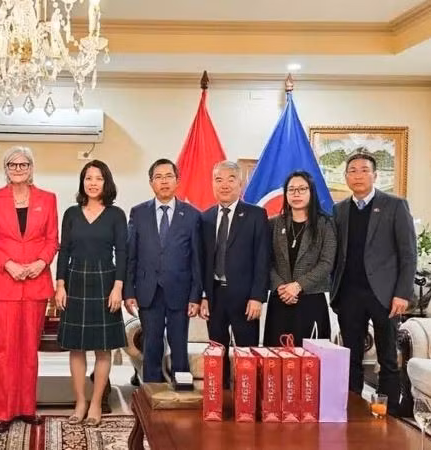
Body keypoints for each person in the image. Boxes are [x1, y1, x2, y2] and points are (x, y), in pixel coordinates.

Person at [0, 146, 58, 433]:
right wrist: (7, 264)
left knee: (28, 351)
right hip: (4, 284)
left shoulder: (47, 199)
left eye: (24, 164)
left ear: (32, 168)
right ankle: (2, 411)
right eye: (13, 164)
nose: (19, 168)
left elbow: (52, 240)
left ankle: (26, 408)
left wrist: (41, 262)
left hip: (36, 284)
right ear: (6, 168)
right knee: (3, 351)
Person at [332, 153, 416, 415]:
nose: (358, 175)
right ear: (346, 177)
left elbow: (408, 253)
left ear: (375, 175)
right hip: (349, 294)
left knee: (388, 358)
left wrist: (402, 293)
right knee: (351, 356)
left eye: (364, 170)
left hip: (385, 295)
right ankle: (353, 407)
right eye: (352, 171)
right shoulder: (340, 209)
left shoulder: (394, 205)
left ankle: (391, 412)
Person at [55, 160, 127, 426]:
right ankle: (80, 402)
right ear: (82, 182)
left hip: (105, 281)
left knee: (103, 349)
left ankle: (96, 403)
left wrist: (118, 286)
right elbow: (64, 251)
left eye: (98, 178)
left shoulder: (116, 214)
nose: (93, 183)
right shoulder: (71, 213)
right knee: (76, 348)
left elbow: (123, 253)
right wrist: (60, 284)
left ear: (106, 182)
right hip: (75, 281)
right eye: (88, 178)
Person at [124, 158, 202, 384]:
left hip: (180, 291)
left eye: (169, 176)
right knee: (152, 345)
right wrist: (129, 292)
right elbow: (132, 255)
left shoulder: (191, 215)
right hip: (149, 290)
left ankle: (183, 393)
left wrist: (196, 296)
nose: (164, 181)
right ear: (151, 183)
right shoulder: (138, 213)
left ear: (177, 181)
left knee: (179, 345)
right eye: (158, 177)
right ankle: (151, 393)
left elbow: (197, 259)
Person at [200, 160, 270, 386]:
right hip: (215, 296)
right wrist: (203, 296)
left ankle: (247, 403)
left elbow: (263, 258)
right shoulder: (205, 217)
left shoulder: (256, 215)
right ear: (212, 184)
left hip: (245, 298)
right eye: (219, 180)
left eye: (231, 180)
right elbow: (201, 262)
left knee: (246, 355)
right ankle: (219, 401)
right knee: (217, 354)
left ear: (241, 184)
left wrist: (257, 297)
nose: (225, 185)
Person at [263, 170, 336, 347]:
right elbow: (266, 261)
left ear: (311, 192)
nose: (296, 194)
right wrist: (280, 286)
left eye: (302, 189)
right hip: (279, 300)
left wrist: (298, 286)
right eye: (291, 189)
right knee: (277, 358)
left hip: (311, 300)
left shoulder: (325, 224)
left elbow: (327, 263)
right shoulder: (274, 224)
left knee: (310, 361)